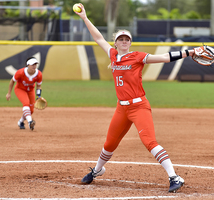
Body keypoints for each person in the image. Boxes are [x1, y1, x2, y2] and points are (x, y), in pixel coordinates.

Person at [75, 4, 195, 193]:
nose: (124, 41)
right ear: (115, 43)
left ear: (130, 42)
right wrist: (85, 18)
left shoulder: (137, 56)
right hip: (121, 109)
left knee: (149, 142)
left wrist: (189, 52)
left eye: (126, 39)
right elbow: (98, 37)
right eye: (120, 39)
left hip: (139, 107)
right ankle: (97, 171)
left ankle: (175, 177)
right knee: (109, 143)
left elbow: (163, 57)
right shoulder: (113, 55)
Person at [6, 57, 43, 131]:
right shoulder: (20, 72)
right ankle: (30, 122)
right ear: (28, 65)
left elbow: (38, 86)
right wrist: (9, 93)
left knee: (31, 110)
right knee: (26, 103)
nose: (34, 66)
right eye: (32, 64)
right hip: (20, 89)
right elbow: (12, 81)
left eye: (35, 64)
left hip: (30, 90)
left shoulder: (38, 74)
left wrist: (38, 96)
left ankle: (21, 122)